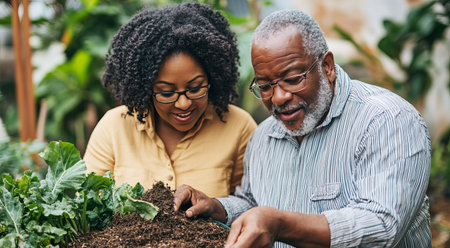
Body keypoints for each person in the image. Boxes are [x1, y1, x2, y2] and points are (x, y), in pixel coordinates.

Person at [173, 9, 431, 248]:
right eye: (265, 86)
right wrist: (217, 207)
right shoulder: (264, 136)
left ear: (327, 67)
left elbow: (382, 226)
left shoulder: (386, 120)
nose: (278, 97)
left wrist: (280, 225)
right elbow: (254, 202)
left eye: (293, 79)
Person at [83, 2, 257, 198]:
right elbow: (89, 207)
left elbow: (248, 205)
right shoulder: (114, 128)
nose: (183, 104)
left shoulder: (239, 128)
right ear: (147, 87)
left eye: (195, 88)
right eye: (166, 93)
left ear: (212, 78)